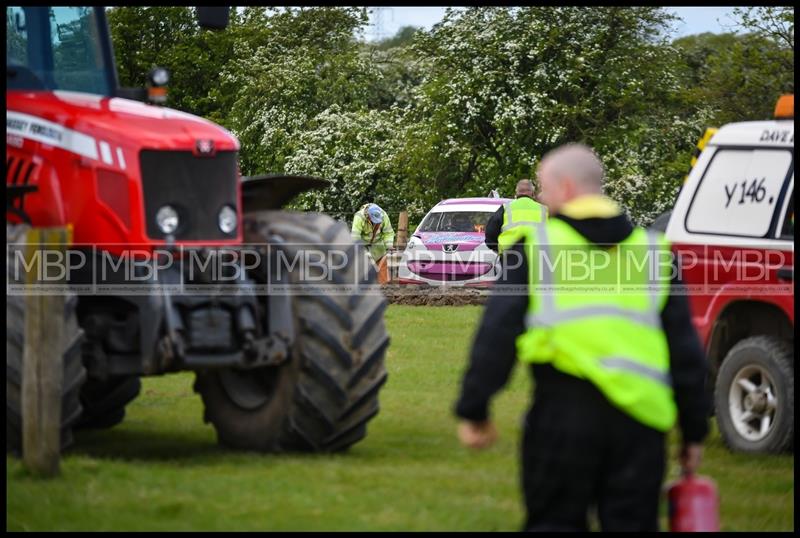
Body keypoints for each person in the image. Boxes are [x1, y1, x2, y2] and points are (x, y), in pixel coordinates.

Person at [454, 143, 710, 531]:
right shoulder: (655, 254)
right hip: (640, 425)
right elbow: (685, 350)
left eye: (545, 187)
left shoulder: (536, 249)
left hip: (562, 418)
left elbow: (498, 333)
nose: (542, 197)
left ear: (568, 187)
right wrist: (693, 431)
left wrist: (475, 407)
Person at [484, 179, 548, 253]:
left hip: (511, 256)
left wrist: (498, 249)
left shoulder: (505, 208)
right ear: (533, 193)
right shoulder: (544, 210)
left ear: (516, 193)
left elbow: (490, 234)